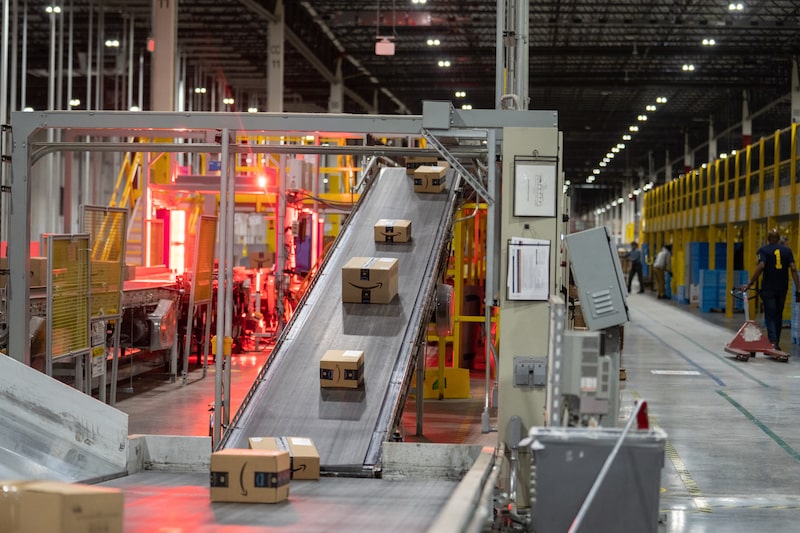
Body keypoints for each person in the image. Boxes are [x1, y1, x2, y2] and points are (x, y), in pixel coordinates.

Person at [743, 229, 800, 351]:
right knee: (778, 315)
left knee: (770, 315)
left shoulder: (763, 250)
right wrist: (798, 289)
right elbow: (793, 269)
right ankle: (776, 342)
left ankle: (773, 342)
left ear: (768, 239)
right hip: (782, 288)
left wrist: (750, 283)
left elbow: (761, 266)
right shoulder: (787, 251)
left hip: (768, 288)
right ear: (779, 239)